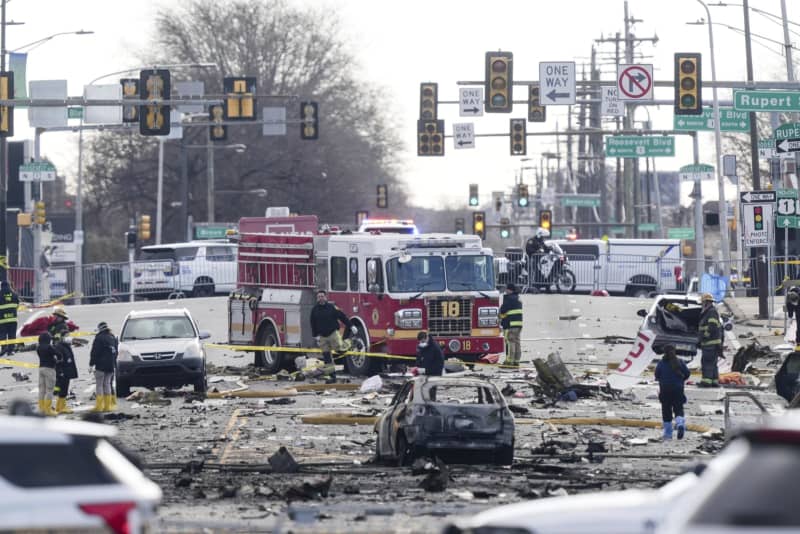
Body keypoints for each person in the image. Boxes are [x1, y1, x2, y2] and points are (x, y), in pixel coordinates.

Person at [310, 289, 357, 384]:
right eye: (319, 297)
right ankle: (332, 377)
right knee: (327, 357)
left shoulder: (332, 307)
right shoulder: (314, 310)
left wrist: (351, 326)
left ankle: (351, 343)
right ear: (317, 298)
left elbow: (342, 316)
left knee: (340, 350)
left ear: (325, 297)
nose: (320, 298)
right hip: (322, 337)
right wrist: (315, 336)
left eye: (322, 296)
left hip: (333, 333)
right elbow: (312, 323)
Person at [655, 344, 690, 440]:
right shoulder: (680, 362)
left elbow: (657, 375)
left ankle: (668, 434)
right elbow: (687, 374)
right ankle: (680, 423)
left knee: (666, 411)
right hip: (678, 389)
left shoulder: (661, 363)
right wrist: (680, 380)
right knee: (678, 408)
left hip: (665, 390)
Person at [89, 321, 118, 413]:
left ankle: (99, 406)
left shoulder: (99, 338)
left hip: (101, 366)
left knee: (99, 385)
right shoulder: (112, 337)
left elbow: (94, 352)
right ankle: (107, 406)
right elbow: (116, 352)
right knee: (107, 384)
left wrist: (91, 364)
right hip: (111, 365)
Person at [52, 322, 78, 414]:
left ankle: (61, 406)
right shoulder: (59, 347)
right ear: (62, 337)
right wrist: (60, 372)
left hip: (67, 371)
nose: (69, 337)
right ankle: (60, 407)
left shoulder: (66, 346)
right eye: (67, 336)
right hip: (63, 372)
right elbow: (58, 361)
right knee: (62, 390)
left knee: (64, 390)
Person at [698, 292, 722, 387]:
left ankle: (706, 382)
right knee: (713, 363)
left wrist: (705, 336)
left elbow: (712, 326)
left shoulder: (711, 312)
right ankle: (714, 381)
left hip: (709, 343)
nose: (702, 305)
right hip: (713, 343)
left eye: (702, 303)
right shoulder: (710, 311)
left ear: (706, 302)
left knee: (707, 362)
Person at [499, 283, 523, 367]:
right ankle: (516, 361)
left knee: (510, 342)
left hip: (510, 324)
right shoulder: (518, 299)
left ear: (510, 290)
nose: (505, 291)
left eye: (507, 289)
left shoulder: (509, 299)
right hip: (518, 325)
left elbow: (502, 310)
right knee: (517, 342)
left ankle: (509, 361)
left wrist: (500, 318)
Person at [36, 332, 57, 416]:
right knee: (49, 390)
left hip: (41, 368)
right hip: (49, 369)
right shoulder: (49, 347)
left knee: (41, 390)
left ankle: (41, 409)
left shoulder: (38, 348)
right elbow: (58, 354)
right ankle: (48, 410)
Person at [0, 280, 19, 356]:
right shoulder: (14, 294)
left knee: (2, 334)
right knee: (12, 334)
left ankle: (4, 348)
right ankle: (10, 351)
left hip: (2, 319)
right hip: (13, 319)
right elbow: (17, 305)